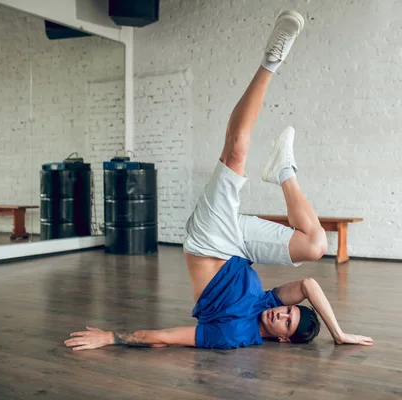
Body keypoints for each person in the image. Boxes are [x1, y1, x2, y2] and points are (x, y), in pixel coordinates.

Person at [64, 10, 372, 351]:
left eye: (286, 321)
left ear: (283, 338)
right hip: (239, 244)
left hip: (209, 242)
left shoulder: (234, 335)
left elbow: (166, 337)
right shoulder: (266, 303)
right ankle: (284, 170)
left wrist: (111, 338)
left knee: (236, 152)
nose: (279, 314)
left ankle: (271, 60)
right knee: (316, 246)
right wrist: (338, 334)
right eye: (287, 310)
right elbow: (310, 285)